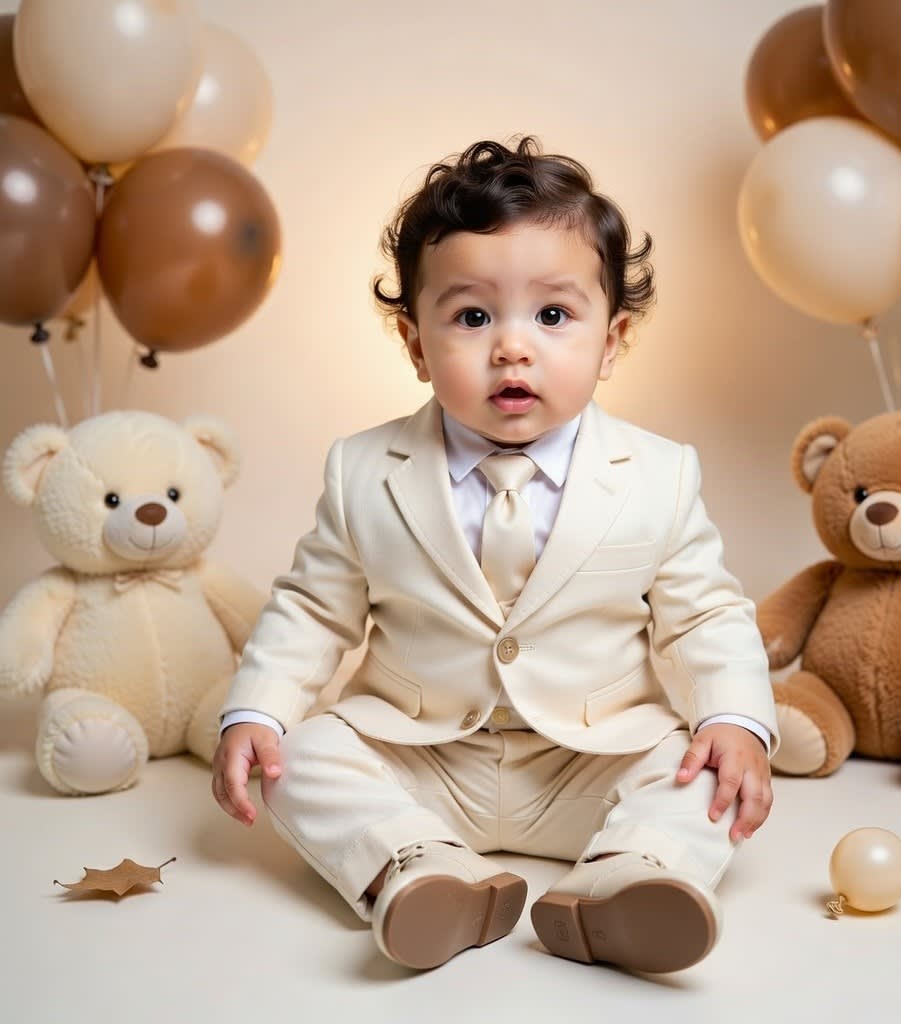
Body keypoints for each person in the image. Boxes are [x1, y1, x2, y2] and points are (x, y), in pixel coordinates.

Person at [211, 137, 778, 975]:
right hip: (427, 759)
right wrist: (255, 711)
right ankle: (421, 866)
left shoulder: (657, 474)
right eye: (473, 316)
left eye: (553, 316)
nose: (513, 348)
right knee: (299, 756)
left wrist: (736, 718)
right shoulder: (366, 469)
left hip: (588, 759)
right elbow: (312, 606)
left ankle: (630, 876)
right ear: (414, 342)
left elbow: (706, 613)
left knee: (696, 769)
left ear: (612, 338)